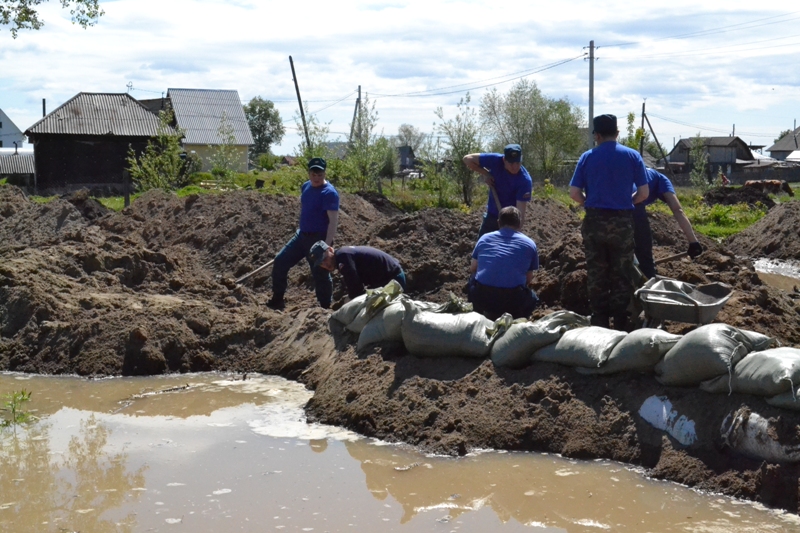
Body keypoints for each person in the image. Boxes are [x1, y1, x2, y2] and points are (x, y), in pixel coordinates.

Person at [569, 114, 649, 331]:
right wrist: (626, 201)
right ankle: (620, 322)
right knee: (621, 271)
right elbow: (643, 193)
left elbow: (574, 192)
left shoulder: (587, 157)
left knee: (596, 271)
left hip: (594, 220)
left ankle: (599, 321)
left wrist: (589, 203)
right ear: (617, 133)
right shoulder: (633, 156)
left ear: (597, 135)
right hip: (622, 221)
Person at [267, 157, 339, 310]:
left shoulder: (329, 193)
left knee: (320, 273)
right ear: (309, 173)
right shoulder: (305, 187)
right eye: (314, 174)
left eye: (320, 175)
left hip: (319, 239)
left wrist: (326, 245)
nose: (317, 178)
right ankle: (277, 299)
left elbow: (333, 221)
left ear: (325, 174)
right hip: (301, 236)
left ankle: (325, 307)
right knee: (280, 261)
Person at [468, 206, 540, 320]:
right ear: (519, 224)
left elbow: (473, 269)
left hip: (483, 297)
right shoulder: (530, 244)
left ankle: (477, 314)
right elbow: (529, 278)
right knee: (533, 299)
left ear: (498, 222)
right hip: (512, 301)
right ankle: (518, 320)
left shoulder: (484, 238)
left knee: (471, 281)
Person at [634, 168, 704, 279]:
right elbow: (677, 210)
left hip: (606, 206)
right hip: (633, 203)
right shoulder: (661, 179)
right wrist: (693, 242)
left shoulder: (635, 173)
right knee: (644, 253)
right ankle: (647, 284)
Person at [463, 144, 533, 237]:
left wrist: (514, 234)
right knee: (483, 245)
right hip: (492, 216)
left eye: (517, 163)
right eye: (511, 163)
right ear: (504, 160)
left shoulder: (524, 181)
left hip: (510, 222)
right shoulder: (495, 161)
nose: (515, 167)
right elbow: (467, 159)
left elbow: (520, 215)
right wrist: (486, 173)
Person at [309, 242, 406, 299]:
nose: (325, 264)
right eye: (321, 263)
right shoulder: (343, 255)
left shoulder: (342, 257)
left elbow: (356, 289)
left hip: (394, 280)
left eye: (325, 259)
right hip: (388, 278)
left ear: (330, 250)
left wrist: (350, 299)